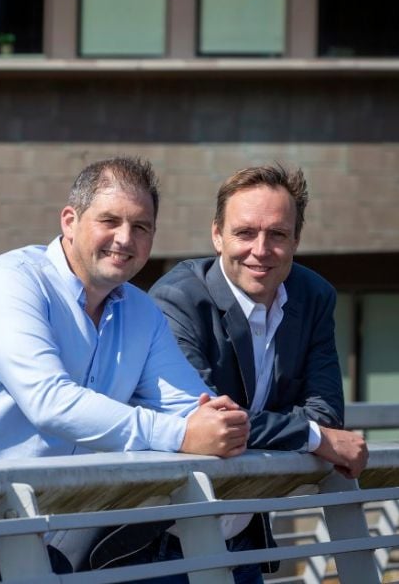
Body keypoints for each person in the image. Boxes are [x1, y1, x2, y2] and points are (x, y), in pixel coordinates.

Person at [0, 156, 251, 584]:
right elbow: (49, 400)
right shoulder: (10, 281)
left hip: (25, 544)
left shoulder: (141, 311)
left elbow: (191, 408)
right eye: (110, 220)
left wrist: (216, 422)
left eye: (141, 227)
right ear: (70, 220)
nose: (125, 238)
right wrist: (180, 435)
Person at [129, 164, 369, 582]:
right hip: (158, 544)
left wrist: (319, 431)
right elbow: (207, 420)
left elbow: (328, 415)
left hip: (241, 540)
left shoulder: (314, 296)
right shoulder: (179, 298)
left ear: (296, 239)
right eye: (245, 233)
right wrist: (311, 437)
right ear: (217, 235)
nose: (261, 249)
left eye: (277, 234)